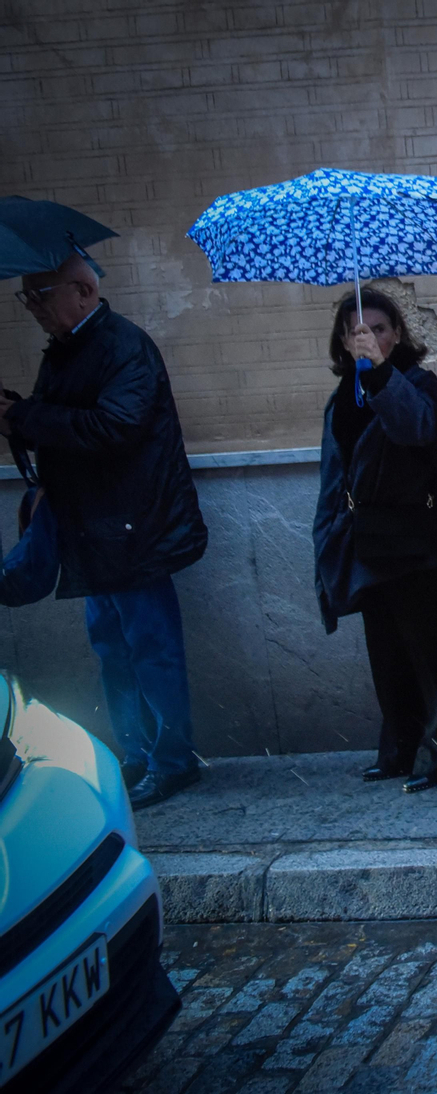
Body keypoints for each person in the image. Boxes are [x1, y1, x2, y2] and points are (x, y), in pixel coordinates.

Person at [3, 255, 208, 809]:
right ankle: (137, 757)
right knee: (112, 649)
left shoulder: (122, 346)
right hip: (95, 526)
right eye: (27, 297)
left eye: (40, 293)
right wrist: (20, 416)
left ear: (85, 291)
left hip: (131, 527)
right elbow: (66, 422)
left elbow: (113, 427)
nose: (34, 308)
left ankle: (172, 761)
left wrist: (25, 418)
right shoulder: (70, 348)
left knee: (150, 648)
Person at [315, 289, 437, 794]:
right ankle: (399, 748)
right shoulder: (341, 397)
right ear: (343, 339)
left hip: (413, 539)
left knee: (423, 651)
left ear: (397, 334)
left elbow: (416, 428)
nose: (371, 337)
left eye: (380, 328)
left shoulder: (418, 382)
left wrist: (380, 371)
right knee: (384, 651)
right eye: (359, 330)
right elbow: (332, 476)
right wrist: (325, 545)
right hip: (364, 539)